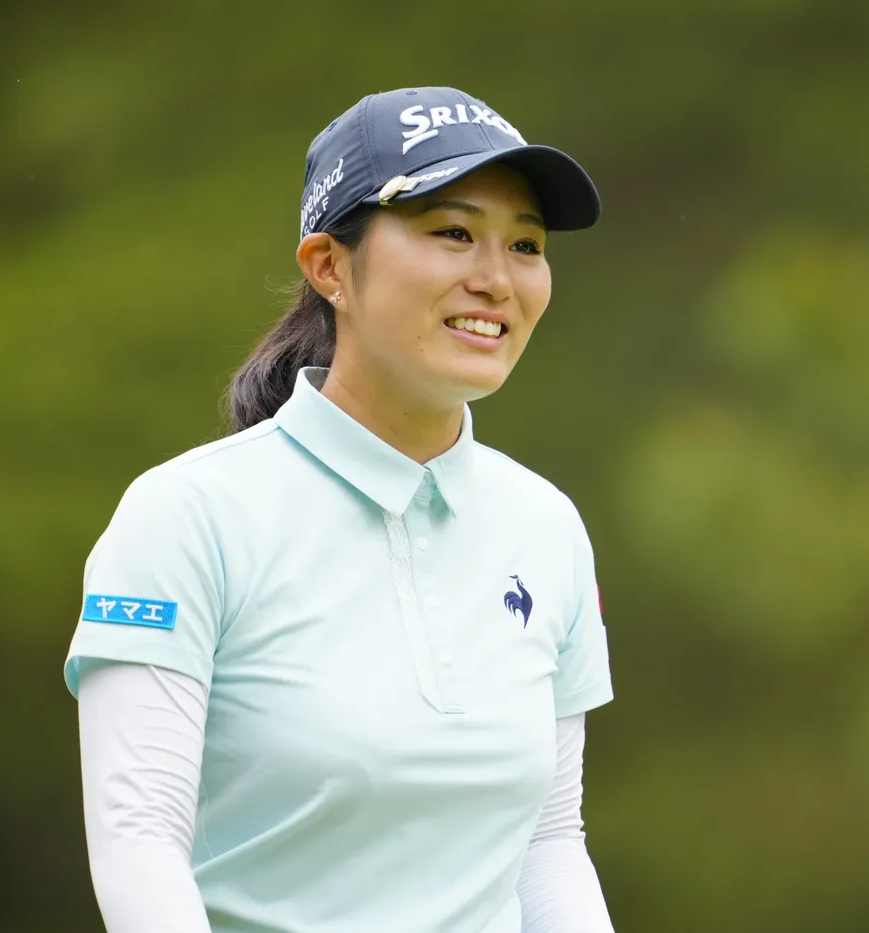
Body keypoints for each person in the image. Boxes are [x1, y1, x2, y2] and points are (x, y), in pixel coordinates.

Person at [64, 86, 616, 933]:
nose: (496, 279)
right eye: (453, 232)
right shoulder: (186, 517)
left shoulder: (546, 527)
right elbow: (140, 843)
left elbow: (546, 841)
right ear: (329, 267)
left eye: (526, 244)